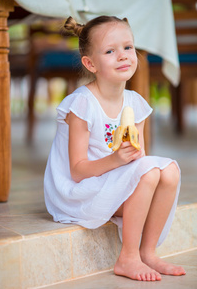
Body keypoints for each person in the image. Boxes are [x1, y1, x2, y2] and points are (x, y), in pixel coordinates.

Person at [44, 15, 186, 282]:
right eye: (110, 51)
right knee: (149, 174)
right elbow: (76, 171)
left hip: (114, 181)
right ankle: (128, 257)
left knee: (168, 171)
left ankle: (148, 252)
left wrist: (128, 158)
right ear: (90, 63)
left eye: (128, 47)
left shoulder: (136, 103)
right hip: (81, 189)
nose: (123, 56)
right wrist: (116, 159)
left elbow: (139, 160)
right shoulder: (82, 104)